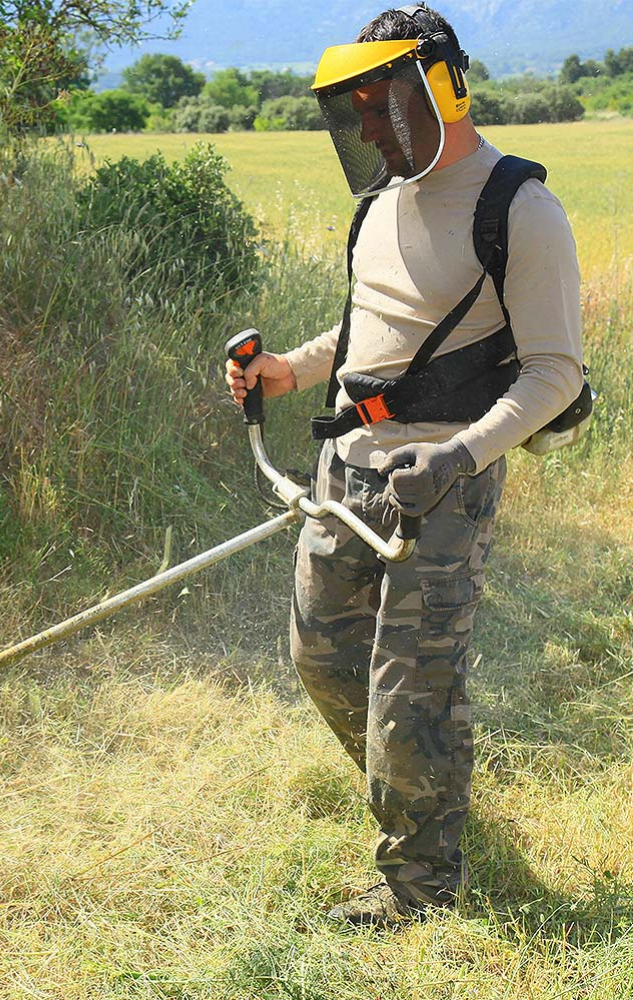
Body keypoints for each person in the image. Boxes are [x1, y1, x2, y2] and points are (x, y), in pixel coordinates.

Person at [226, 5, 583, 928]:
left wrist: (459, 454)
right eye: (357, 113)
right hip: (347, 470)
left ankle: (422, 890)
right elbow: (367, 333)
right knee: (321, 658)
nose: (369, 130)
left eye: (380, 106)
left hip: (445, 489)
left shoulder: (520, 208)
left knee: (409, 692)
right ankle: (419, 800)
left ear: (440, 89)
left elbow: (554, 373)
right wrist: (287, 371)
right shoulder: (382, 200)